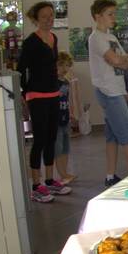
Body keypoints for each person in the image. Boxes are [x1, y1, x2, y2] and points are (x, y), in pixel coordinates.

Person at [18, 1, 72, 203]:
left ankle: (50, 180)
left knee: (51, 138)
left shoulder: (53, 38)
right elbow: (21, 69)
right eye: (44, 17)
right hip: (36, 95)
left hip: (52, 94)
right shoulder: (31, 42)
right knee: (39, 140)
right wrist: (24, 95)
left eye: (51, 15)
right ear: (36, 20)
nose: (49, 19)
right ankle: (36, 185)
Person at [88, 0, 128, 187]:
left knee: (113, 135)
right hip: (109, 92)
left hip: (116, 89)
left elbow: (126, 64)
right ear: (97, 16)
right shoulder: (96, 38)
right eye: (110, 14)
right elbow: (116, 61)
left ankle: (110, 174)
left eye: (114, 14)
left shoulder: (111, 38)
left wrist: (122, 60)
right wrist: (122, 59)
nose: (114, 17)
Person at [54, 52, 78, 184]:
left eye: (67, 66)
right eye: (61, 65)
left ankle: (65, 172)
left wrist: (71, 114)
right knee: (57, 148)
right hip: (55, 120)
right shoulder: (52, 82)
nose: (64, 69)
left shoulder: (66, 82)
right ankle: (61, 173)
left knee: (65, 148)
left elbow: (68, 100)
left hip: (65, 118)